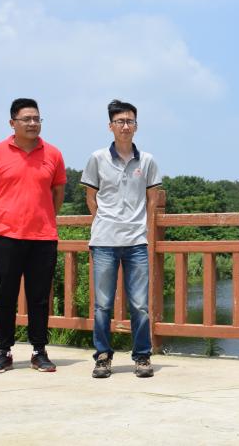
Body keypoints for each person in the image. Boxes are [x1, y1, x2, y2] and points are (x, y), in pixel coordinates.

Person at [0, 98, 67, 374]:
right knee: (5, 296)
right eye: (26, 119)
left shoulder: (53, 154)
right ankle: (3, 352)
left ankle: (39, 351)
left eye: (37, 118)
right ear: (12, 123)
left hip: (43, 237)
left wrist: (44, 217)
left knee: (39, 297)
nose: (33, 123)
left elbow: (58, 192)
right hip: (6, 235)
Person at [81, 99, 161, 379]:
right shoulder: (97, 158)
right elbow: (90, 197)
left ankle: (142, 355)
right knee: (102, 305)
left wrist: (142, 226)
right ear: (110, 126)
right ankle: (103, 356)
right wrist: (105, 221)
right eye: (120, 122)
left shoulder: (147, 160)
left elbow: (152, 199)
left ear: (136, 126)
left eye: (130, 121)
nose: (125, 126)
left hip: (136, 241)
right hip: (104, 241)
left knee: (140, 304)